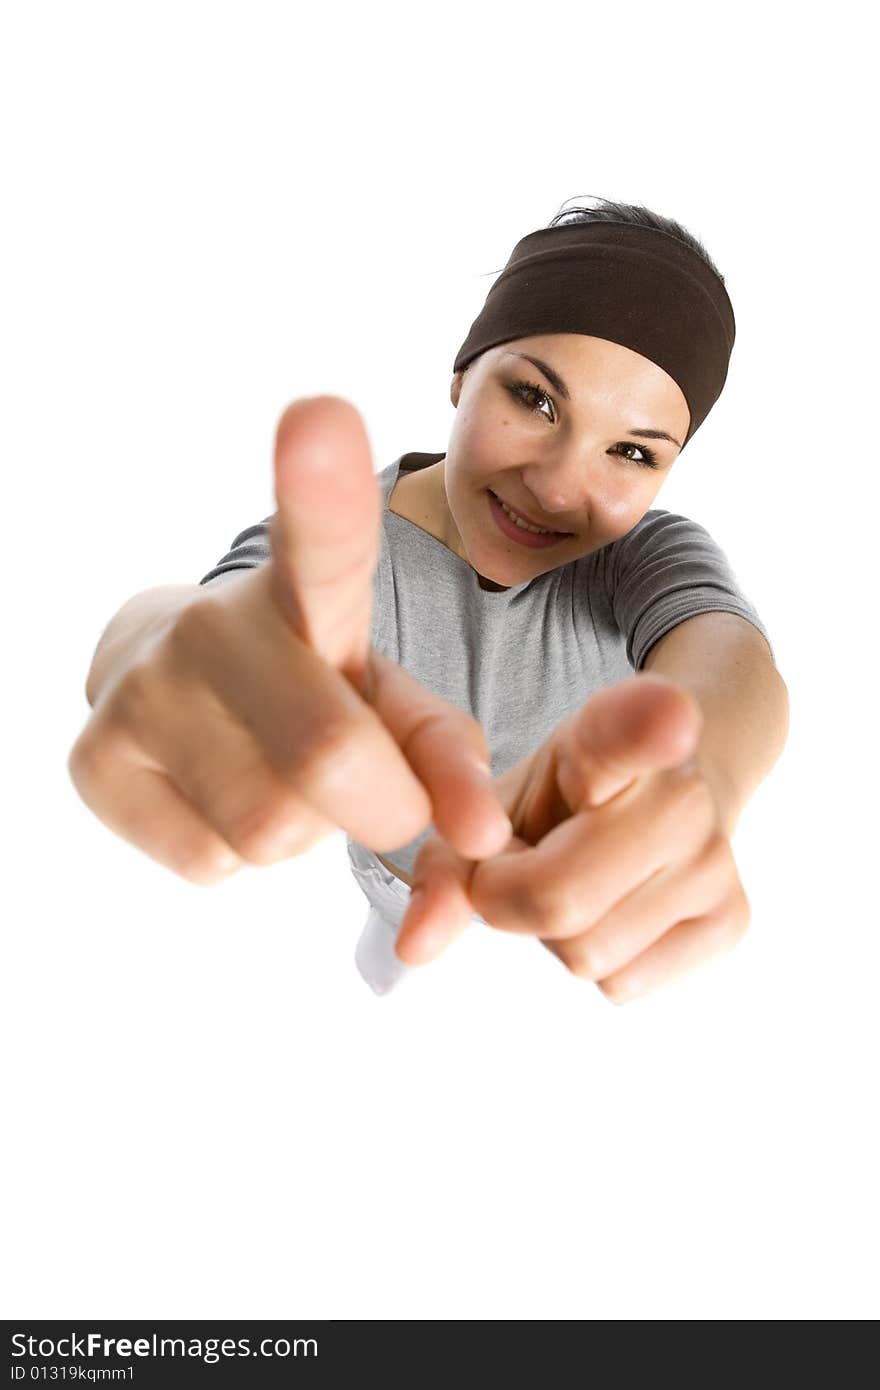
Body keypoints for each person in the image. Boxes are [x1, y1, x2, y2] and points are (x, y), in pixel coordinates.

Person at [69, 195, 785, 1001]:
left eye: (631, 451)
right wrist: (149, 643)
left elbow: (733, 655)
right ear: (462, 373)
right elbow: (215, 618)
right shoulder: (340, 549)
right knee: (395, 960)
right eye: (535, 400)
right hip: (399, 879)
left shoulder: (642, 557)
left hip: (568, 912)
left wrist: (703, 775)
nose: (554, 488)